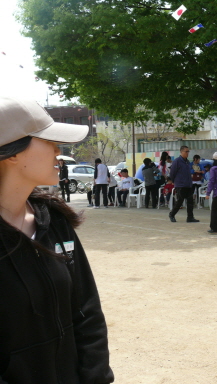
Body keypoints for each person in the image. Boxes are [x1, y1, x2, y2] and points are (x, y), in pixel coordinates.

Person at [0, 96, 114, 383]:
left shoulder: (55, 221)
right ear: (12, 152)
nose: (59, 152)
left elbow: (87, 309)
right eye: (49, 142)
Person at [168, 146, 199, 223]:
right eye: (186, 151)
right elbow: (172, 173)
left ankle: (190, 217)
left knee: (190, 201)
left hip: (188, 184)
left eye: (188, 151)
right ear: (181, 152)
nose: (187, 153)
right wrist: (174, 181)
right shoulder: (177, 161)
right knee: (179, 201)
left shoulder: (187, 162)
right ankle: (172, 214)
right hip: (180, 184)